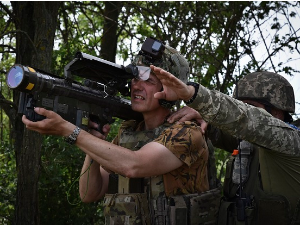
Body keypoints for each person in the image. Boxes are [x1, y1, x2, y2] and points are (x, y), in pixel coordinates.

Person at [22, 37, 220, 225]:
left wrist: (70, 131)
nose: (136, 85)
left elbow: (134, 165)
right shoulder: (129, 132)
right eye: (135, 77)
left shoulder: (187, 133)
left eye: (148, 80)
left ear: (170, 90)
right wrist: (93, 143)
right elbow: (89, 193)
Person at [150, 66, 300, 225]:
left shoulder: (292, 142)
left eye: (250, 106)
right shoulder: (248, 142)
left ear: (277, 113)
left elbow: (246, 120)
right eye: (239, 105)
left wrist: (194, 96)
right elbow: (219, 131)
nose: (243, 110)